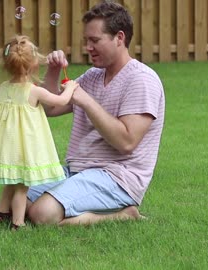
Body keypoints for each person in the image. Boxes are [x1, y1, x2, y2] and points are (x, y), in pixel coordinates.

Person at [26, 1, 165, 226]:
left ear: (119, 38)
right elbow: (50, 108)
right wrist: (52, 72)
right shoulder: (92, 76)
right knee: (17, 199)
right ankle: (68, 207)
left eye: (95, 40)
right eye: (86, 41)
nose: (88, 47)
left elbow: (126, 141)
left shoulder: (142, 80)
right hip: (78, 171)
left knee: (42, 214)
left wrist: (87, 102)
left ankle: (123, 214)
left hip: (117, 177)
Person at [0, 35, 80, 230]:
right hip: (25, 148)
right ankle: (18, 223)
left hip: (7, 146)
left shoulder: (2, 89)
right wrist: (70, 87)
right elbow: (61, 101)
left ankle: (1, 212)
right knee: (22, 186)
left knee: (10, 179)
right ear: (33, 64)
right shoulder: (34, 91)